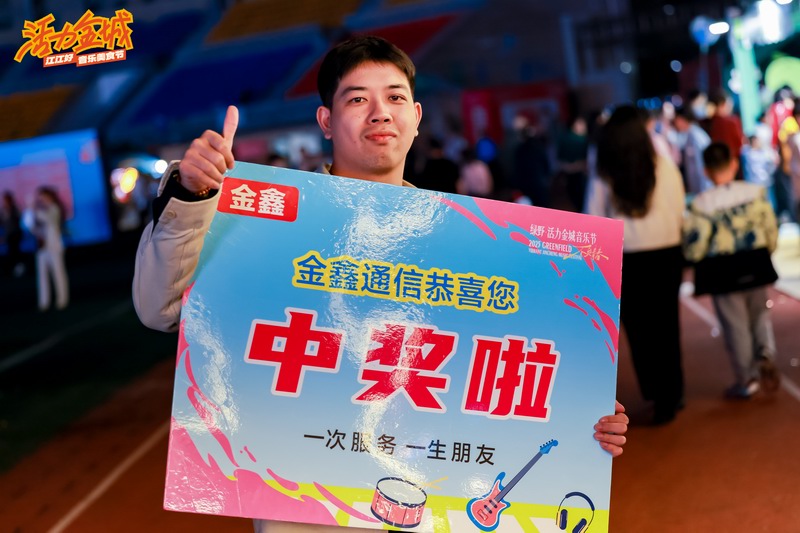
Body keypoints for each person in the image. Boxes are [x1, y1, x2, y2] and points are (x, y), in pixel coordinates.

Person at [132, 36, 629, 532]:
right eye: (356, 99)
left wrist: (578, 413)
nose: (380, 113)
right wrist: (192, 197)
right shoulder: (264, 225)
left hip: (429, 501)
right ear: (326, 121)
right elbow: (159, 307)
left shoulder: (468, 246)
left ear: (416, 116)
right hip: (308, 515)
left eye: (394, 97)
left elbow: (498, 366)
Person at [585, 104, 686, 425]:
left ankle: (655, 392)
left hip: (625, 257)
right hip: (667, 251)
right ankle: (673, 393)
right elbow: (679, 204)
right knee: (667, 325)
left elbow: (593, 216)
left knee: (639, 330)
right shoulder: (662, 163)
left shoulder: (605, 169)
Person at [682, 143, 780, 399]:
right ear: (734, 163)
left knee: (735, 326)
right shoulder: (755, 192)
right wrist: (767, 250)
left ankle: (747, 379)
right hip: (756, 263)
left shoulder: (702, 204)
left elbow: (695, 247)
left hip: (723, 271)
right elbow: (770, 228)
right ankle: (766, 352)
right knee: (760, 314)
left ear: (705, 170)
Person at [30, 186, 69, 311]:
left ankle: (62, 300)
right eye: (40, 198)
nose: (42, 200)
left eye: (44, 197)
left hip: (54, 246)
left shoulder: (54, 208)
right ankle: (44, 302)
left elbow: (50, 220)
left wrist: (34, 210)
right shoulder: (39, 211)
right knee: (42, 275)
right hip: (42, 247)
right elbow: (33, 228)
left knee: (58, 273)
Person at [672, 106, 711, 196]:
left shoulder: (695, 136)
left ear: (681, 119)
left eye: (676, 120)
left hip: (703, 187)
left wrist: (702, 191)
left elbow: (699, 166)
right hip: (698, 187)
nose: (675, 124)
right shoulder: (689, 135)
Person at [1, 191, 24, 277]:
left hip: (15, 234)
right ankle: (11, 269)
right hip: (8, 234)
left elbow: (20, 218)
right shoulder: (3, 210)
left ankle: (18, 268)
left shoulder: (15, 209)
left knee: (15, 251)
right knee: (10, 251)